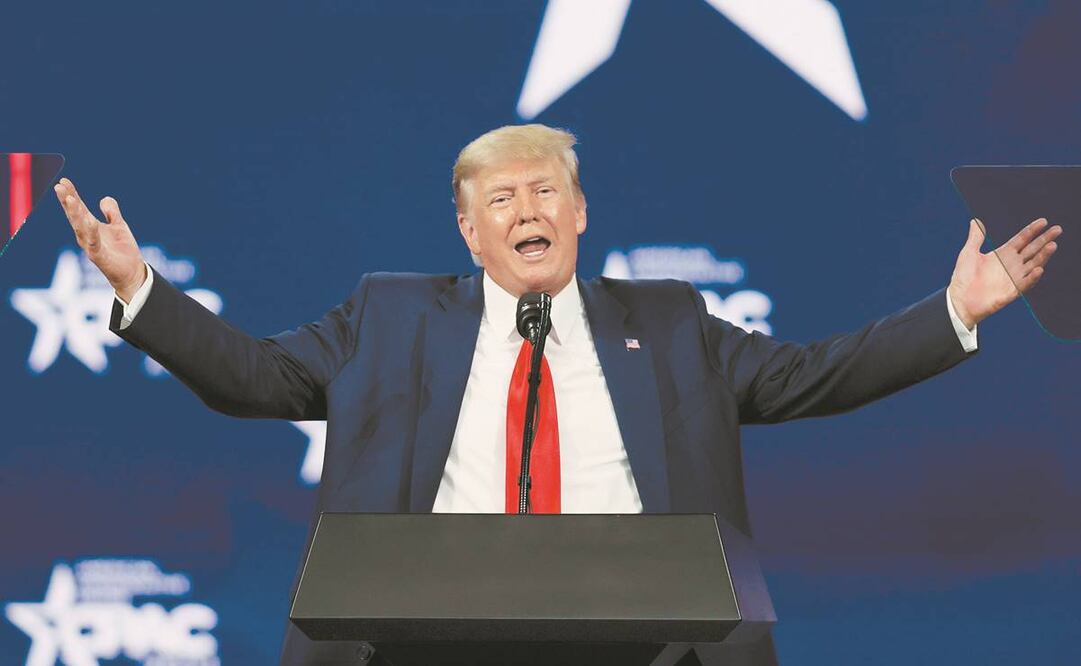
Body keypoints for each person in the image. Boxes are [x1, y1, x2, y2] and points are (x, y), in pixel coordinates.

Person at [54, 124, 1061, 666]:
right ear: (468, 234)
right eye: (500, 200)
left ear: (579, 213)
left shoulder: (667, 321)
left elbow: (811, 376)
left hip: (647, 643)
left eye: (543, 191)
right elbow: (254, 379)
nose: (525, 210)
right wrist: (140, 291)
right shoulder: (389, 316)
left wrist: (952, 310)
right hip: (414, 644)